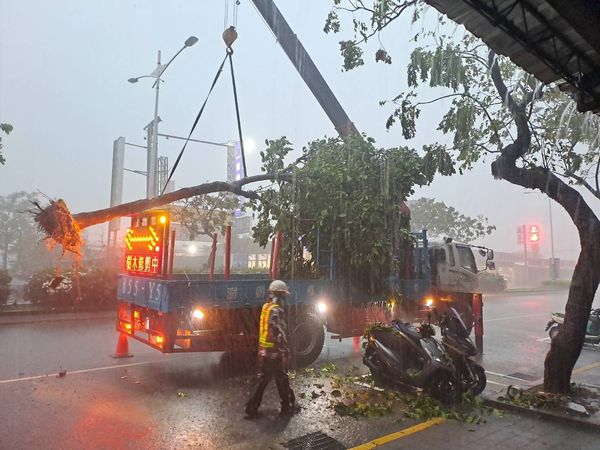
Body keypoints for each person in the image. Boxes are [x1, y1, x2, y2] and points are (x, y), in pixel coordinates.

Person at [245, 280, 296, 416]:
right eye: (284, 296)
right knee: (282, 378)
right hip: (274, 352)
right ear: (280, 295)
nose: (285, 299)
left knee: (262, 380)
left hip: (263, 351)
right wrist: (285, 350)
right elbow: (277, 332)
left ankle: (251, 407)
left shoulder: (266, 307)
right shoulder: (276, 310)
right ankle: (287, 406)